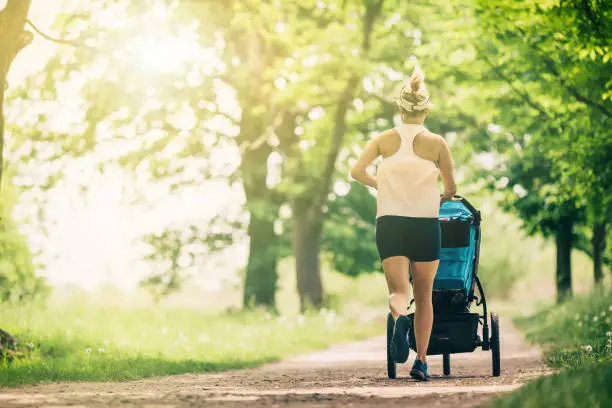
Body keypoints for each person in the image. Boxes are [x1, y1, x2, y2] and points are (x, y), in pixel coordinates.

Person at [350, 66, 457, 381]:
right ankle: (421, 361)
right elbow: (451, 189)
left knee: (399, 289)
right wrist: (439, 197)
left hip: (391, 223)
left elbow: (356, 171)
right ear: (426, 110)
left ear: (400, 109)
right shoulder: (437, 143)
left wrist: (379, 184)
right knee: (424, 295)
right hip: (425, 224)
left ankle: (399, 318)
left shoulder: (384, 140)